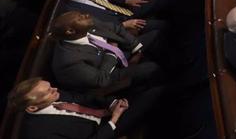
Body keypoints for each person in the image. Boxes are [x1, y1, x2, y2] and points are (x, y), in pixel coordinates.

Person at [8, 76, 161, 139]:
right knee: (155, 94)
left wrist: (112, 104)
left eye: (51, 87)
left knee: (142, 85)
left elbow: (87, 98)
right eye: (48, 92)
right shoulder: (41, 133)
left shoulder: (55, 95)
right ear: (32, 108)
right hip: (106, 130)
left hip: (108, 112)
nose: (55, 90)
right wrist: (114, 118)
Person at [48, 9, 163, 93]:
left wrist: (135, 46)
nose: (86, 15)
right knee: (151, 68)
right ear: (70, 31)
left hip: (120, 50)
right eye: (80, 18)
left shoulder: (88, 22)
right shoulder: (67, 61)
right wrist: (112, 52)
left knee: (155, 35)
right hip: (110, 73)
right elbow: (101, 80)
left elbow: (116, 28)